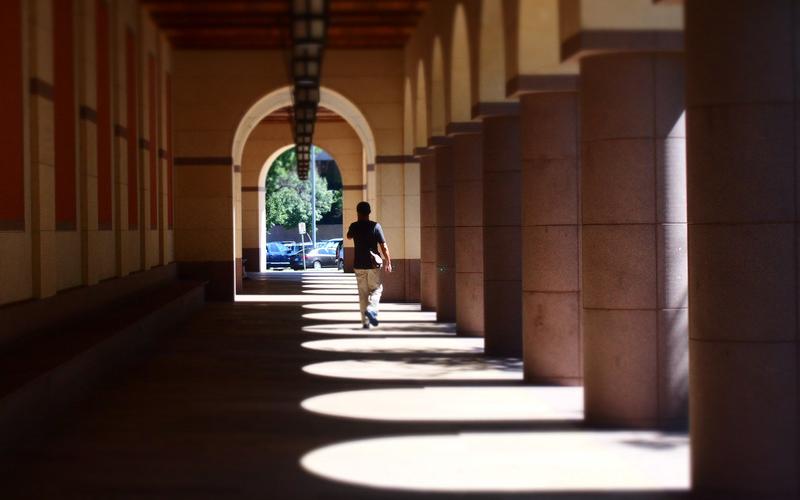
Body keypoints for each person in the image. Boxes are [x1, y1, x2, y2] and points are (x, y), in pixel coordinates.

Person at [346, 201, 392, 329]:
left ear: (358, 212)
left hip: (358, 264)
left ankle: (365, 322)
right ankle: (372, 309)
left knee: (363, 293)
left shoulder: (354, 226)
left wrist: (355, 229)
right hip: (373, 264)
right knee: (377, 289)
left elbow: (348, 236)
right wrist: (388, 261)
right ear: (369, 212)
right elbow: (384, 246)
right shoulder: (376, 226)